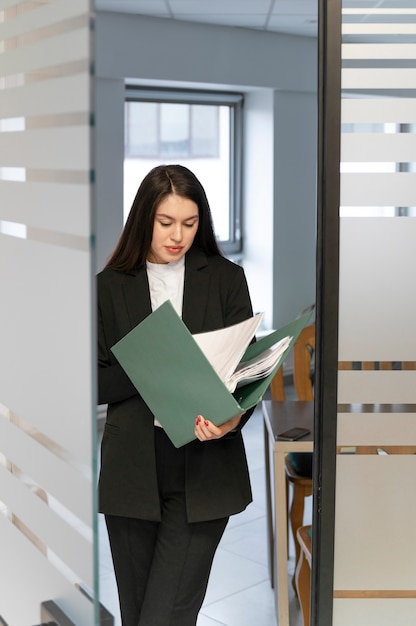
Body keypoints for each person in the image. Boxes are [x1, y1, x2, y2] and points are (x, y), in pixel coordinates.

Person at [97, 164, 256, 626]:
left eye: (189, 223)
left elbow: (245, 374)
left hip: (206, 466)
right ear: (143, 218)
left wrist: (232, 419)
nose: (178, 235)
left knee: (166, 615)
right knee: (138, 614)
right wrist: (159, 364)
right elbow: (94, 381)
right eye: (166, 223)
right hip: (133, 471)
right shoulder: (108, 287)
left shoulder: (226, 278)